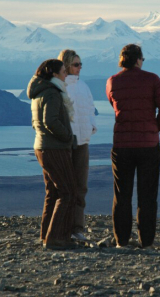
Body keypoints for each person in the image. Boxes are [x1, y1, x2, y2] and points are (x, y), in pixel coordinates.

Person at [106, 44, 160, 248]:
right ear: (138, 60)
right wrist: (155, 127)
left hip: (122, 145)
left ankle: (122, 241)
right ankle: (146, 241)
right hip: (148, 145)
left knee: (122, 194)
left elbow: (114, 104)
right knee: (147, 195)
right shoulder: (152, 79)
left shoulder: (113, 81)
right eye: (142, 59)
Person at [27, 59, 77, 250]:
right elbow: (51, 121)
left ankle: (47, 234)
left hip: (42, 146)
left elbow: (36, 123)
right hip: (54, 148)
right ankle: (56, 238)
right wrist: (67, 137)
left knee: (54, 192)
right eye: (64, 71)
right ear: (54, 74)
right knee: (68, 192)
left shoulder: (38, 93)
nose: (66, 75)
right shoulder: (53, 93)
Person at [57, 49, 97, 241]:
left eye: (80, 64)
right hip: (65, 143)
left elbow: (90, 109)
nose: (79, 68)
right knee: (64, 188)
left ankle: (77, 228)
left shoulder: (84, 87)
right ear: (65, 65)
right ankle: (62, 228)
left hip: (82, 143)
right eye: (76, 64)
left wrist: (91, 127)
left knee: (81, 186)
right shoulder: (59, 86)